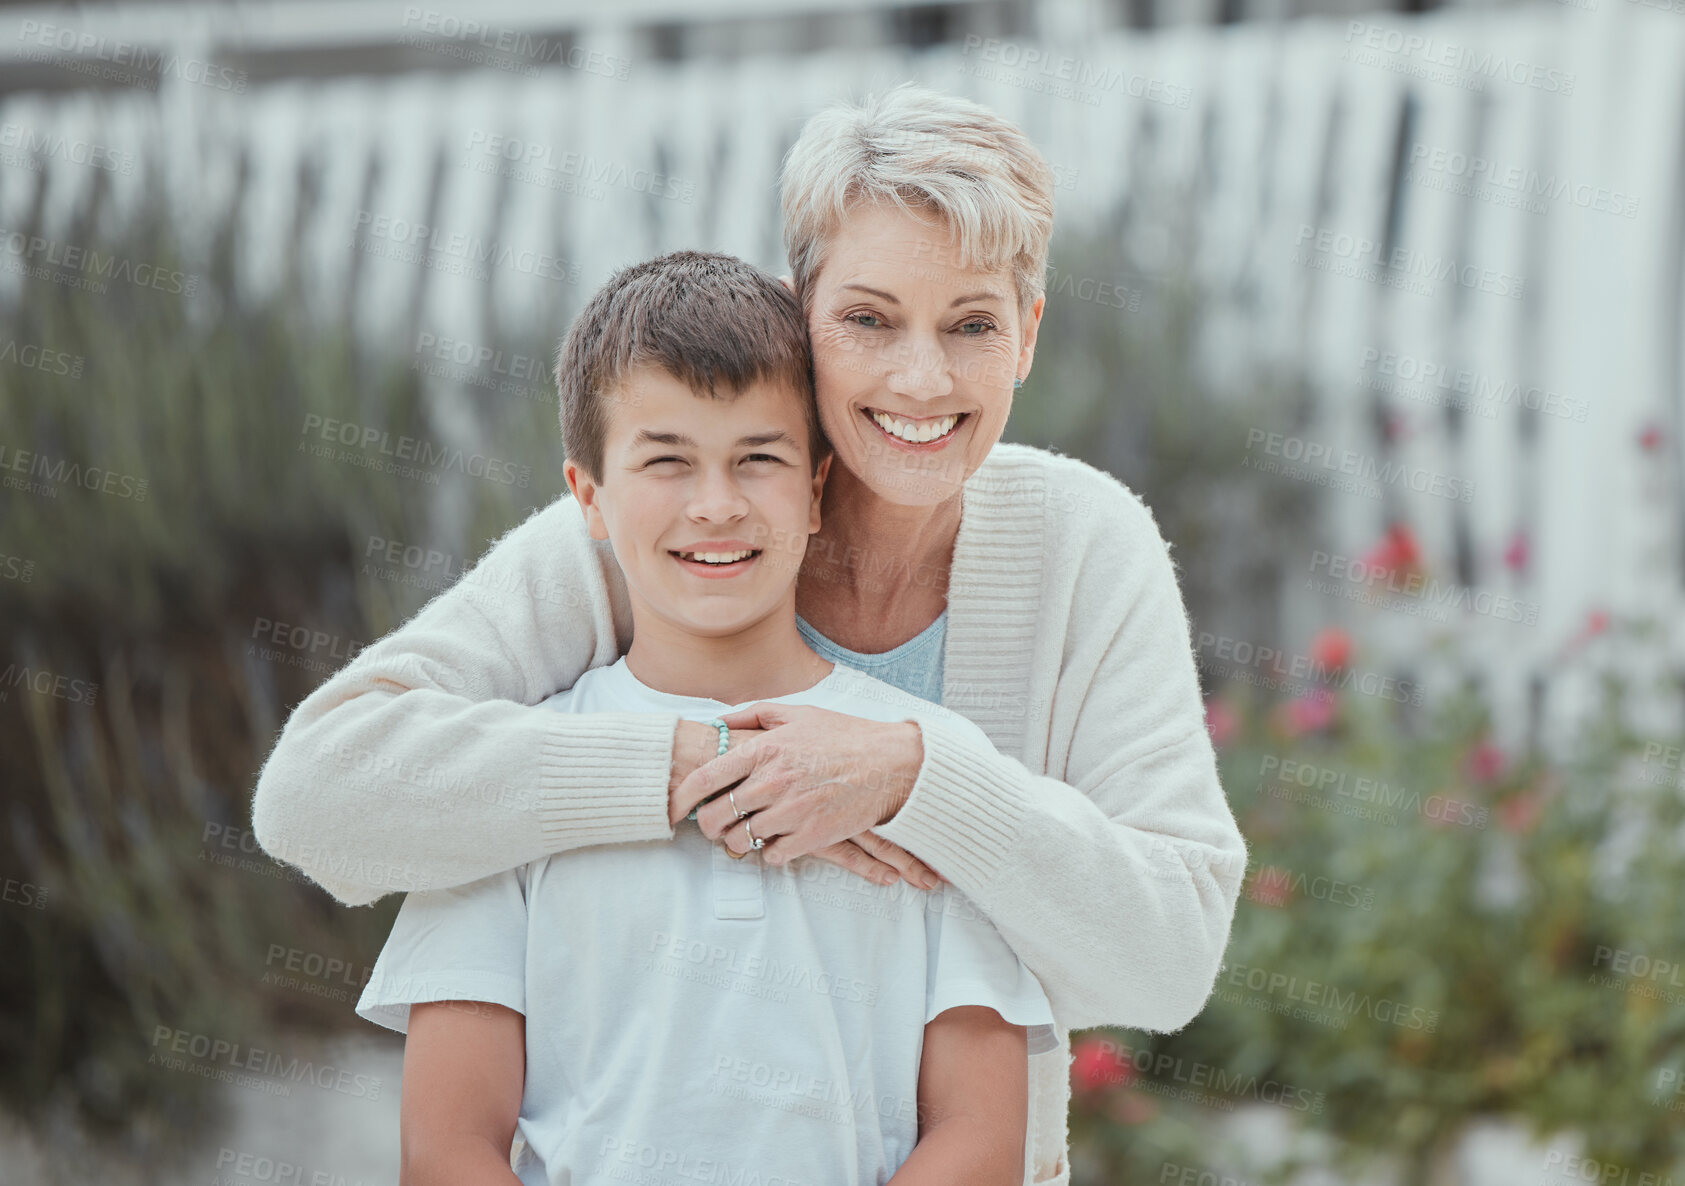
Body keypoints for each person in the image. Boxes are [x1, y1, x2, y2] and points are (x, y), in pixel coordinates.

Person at [253, 82, 1248, 1186]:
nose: (921, 380)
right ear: (799, 309)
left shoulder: (1082, 545)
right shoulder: (640, 535)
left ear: (1025, 336)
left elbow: (1166, 962)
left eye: (970, 324)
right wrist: (699, 760)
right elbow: (317, 800)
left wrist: (920, 778)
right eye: (867, 319)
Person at [354, 250, 1054, 1185]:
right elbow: (447, 1149)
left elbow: (978, 1138)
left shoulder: (921, 766)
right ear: (589, 499)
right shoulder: (508, 784)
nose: (715, 505)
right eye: (667, 461)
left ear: (814, 492)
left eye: (757, 459)